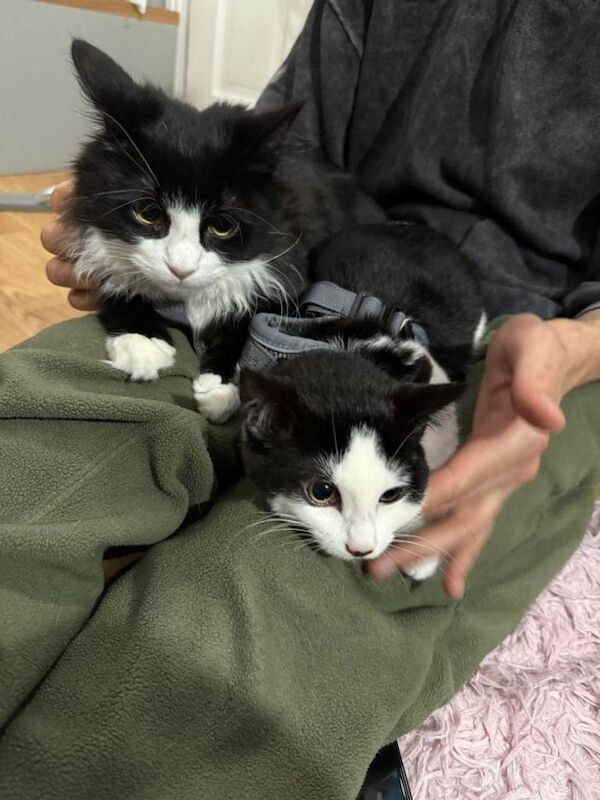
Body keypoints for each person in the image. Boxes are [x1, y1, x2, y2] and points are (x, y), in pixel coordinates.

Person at [2, 2, 599, 798]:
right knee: (37, 447)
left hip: (538, 337)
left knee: (248, 621)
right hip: (302, 287)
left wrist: (577, 350)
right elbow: (268, 153)